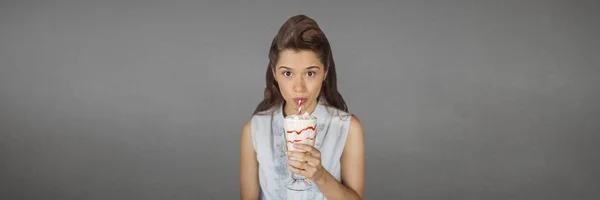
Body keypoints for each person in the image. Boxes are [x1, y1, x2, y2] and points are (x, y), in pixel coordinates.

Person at [240, 15, 364, 200]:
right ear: (274, 72)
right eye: (288, 73)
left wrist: (320, 176)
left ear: (325, 71)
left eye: (310, 73)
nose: (299, 87)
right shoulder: (255, 129)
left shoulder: (347, 128)